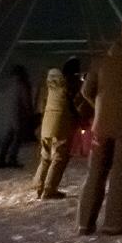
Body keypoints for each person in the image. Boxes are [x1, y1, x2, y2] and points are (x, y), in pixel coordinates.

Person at [79, 16, 122, 236]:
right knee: (120, 174)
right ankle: (114, 223)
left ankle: (85, 223)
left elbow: (86, 92)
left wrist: (100, 108)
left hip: (100, 126)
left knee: (95, 173)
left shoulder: (102, 60)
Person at [33, 58, 86, 200]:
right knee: (59, 158)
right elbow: (78, 101)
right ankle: (49, 190)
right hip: (61, 125)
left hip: (47, 124)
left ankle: (39, 187)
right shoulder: (70, 84)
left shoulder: (52, 84)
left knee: (45, 157)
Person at [0, 65, 37, 169]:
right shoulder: (22, 85)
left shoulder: (10, 85)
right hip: (19, 114)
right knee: (18, 136)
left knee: (9, 136)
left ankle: (1, 158)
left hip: (11, 113)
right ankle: (12, 158)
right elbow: (26, 101)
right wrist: (30, 113)